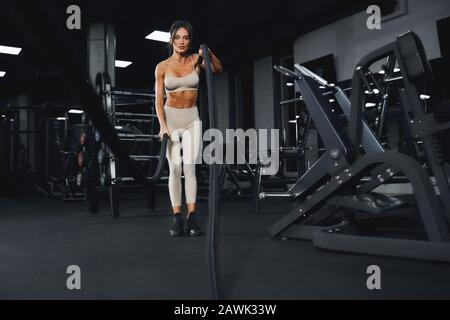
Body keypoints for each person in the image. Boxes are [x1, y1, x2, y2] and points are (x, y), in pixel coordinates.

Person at [154, 20, 222, 237]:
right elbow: (158, 100)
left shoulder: (196, 60)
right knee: (174, 168)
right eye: (177, 38)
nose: (182, 42)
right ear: (171, 40)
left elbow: (217, 69)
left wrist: (209, 54)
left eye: (186, 38)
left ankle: (192, 217)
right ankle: (176, 219)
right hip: (171, 118)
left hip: (192, 118)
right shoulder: (162, 66)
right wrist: (163, 126)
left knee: (190, 167)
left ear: (189, 40)